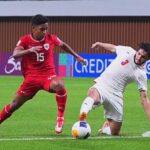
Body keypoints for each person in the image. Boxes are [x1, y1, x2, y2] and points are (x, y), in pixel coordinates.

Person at [0, 14, 86, 134]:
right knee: (14, 104)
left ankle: (60, 118)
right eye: (42, 29)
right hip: (31, 79)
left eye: (46, 28)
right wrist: (28, 50)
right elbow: (15, 54)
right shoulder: (25, 40)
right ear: (33, 28)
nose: (45, 31)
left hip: (48, 76)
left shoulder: (51, 38)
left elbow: (63, 45)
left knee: (59, 84)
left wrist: (77, 56)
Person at [79, 41, 150, 135]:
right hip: (103, 85)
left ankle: (105, 128)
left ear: (148, 59)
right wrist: (100, 44)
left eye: (143, 57)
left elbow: (144, 99)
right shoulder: (127, 51)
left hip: (116, 95)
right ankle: (82, 119)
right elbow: (113, 48)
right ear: (137, 51)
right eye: (139, 53)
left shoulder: (141, 74)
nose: (139, 57)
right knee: (93, 95)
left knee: (114, 132)